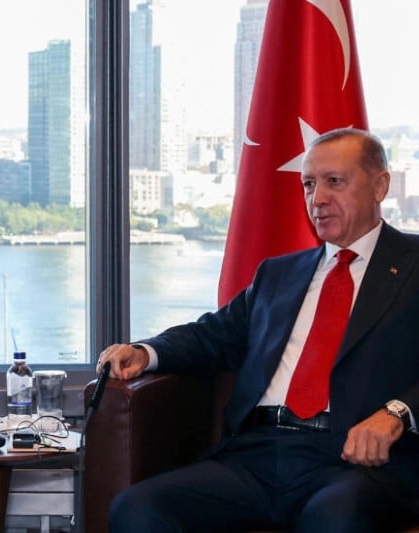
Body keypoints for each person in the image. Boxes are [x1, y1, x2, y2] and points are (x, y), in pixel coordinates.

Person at [99, 128, 419, 532]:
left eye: (334, 181)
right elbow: (212, 335)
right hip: (257, 454)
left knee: (336, 519)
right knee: (137, 508)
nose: (317, 199)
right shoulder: (278, 274)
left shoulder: (413, 264)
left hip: (354, 463)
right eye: (309, 184)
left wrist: (398, 412)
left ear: (380, 186)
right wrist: (145, 352)